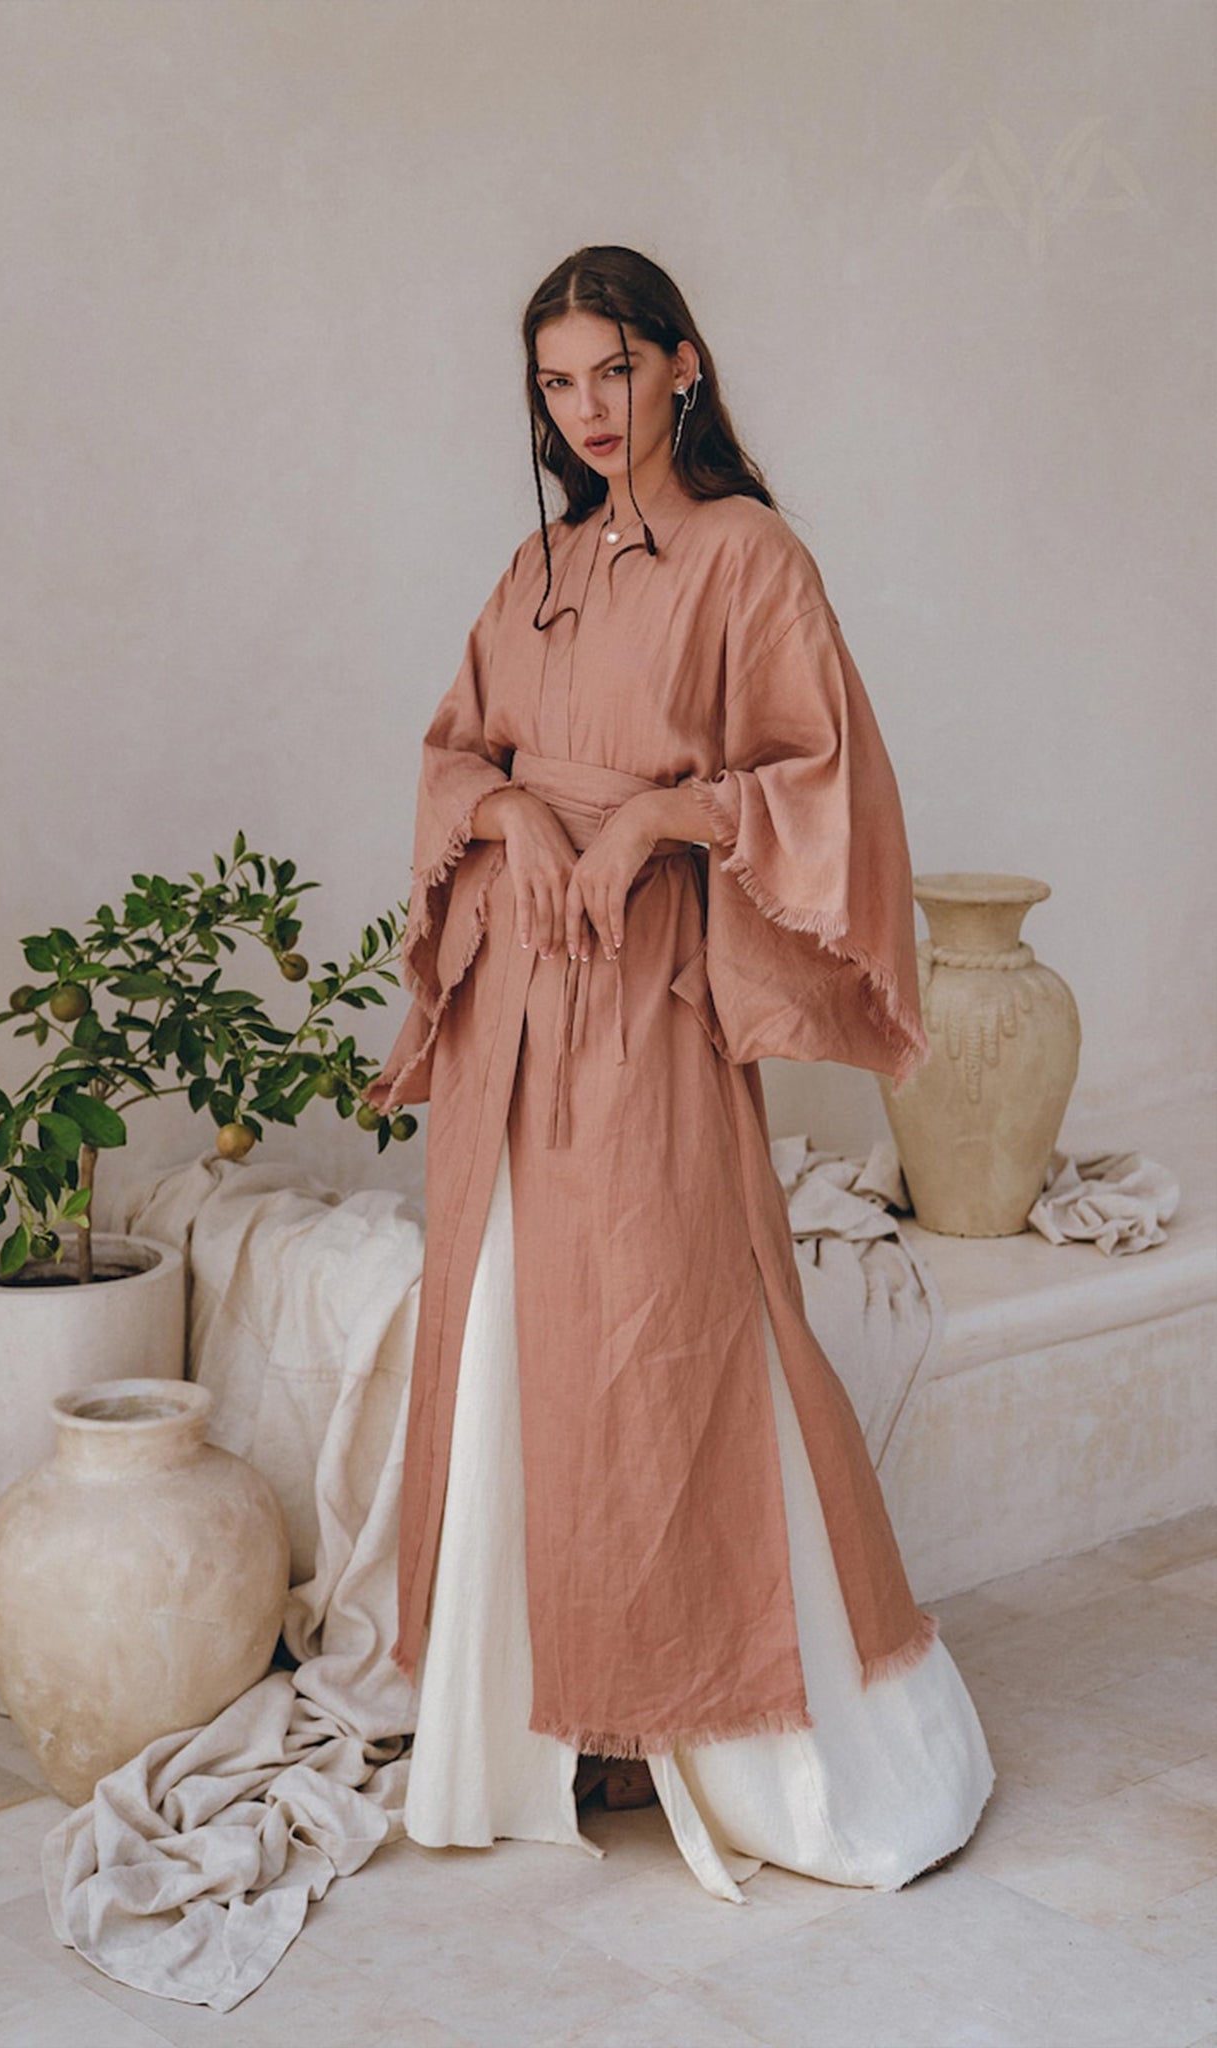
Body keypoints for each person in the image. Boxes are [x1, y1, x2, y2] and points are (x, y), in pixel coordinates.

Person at [363, 245, 994, 1902]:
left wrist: (653, 814)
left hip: (643, 994)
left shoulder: (749, 558)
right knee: (507, 1324)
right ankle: (546, 1723)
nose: (585, 412)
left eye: (613, 375)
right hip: (516, 987)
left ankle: (727, 1714)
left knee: (664, 1326)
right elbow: (457, 753)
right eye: (557, 385)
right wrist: (507, 814)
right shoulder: (537, 565)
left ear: (683, 366)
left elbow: (821, 778)